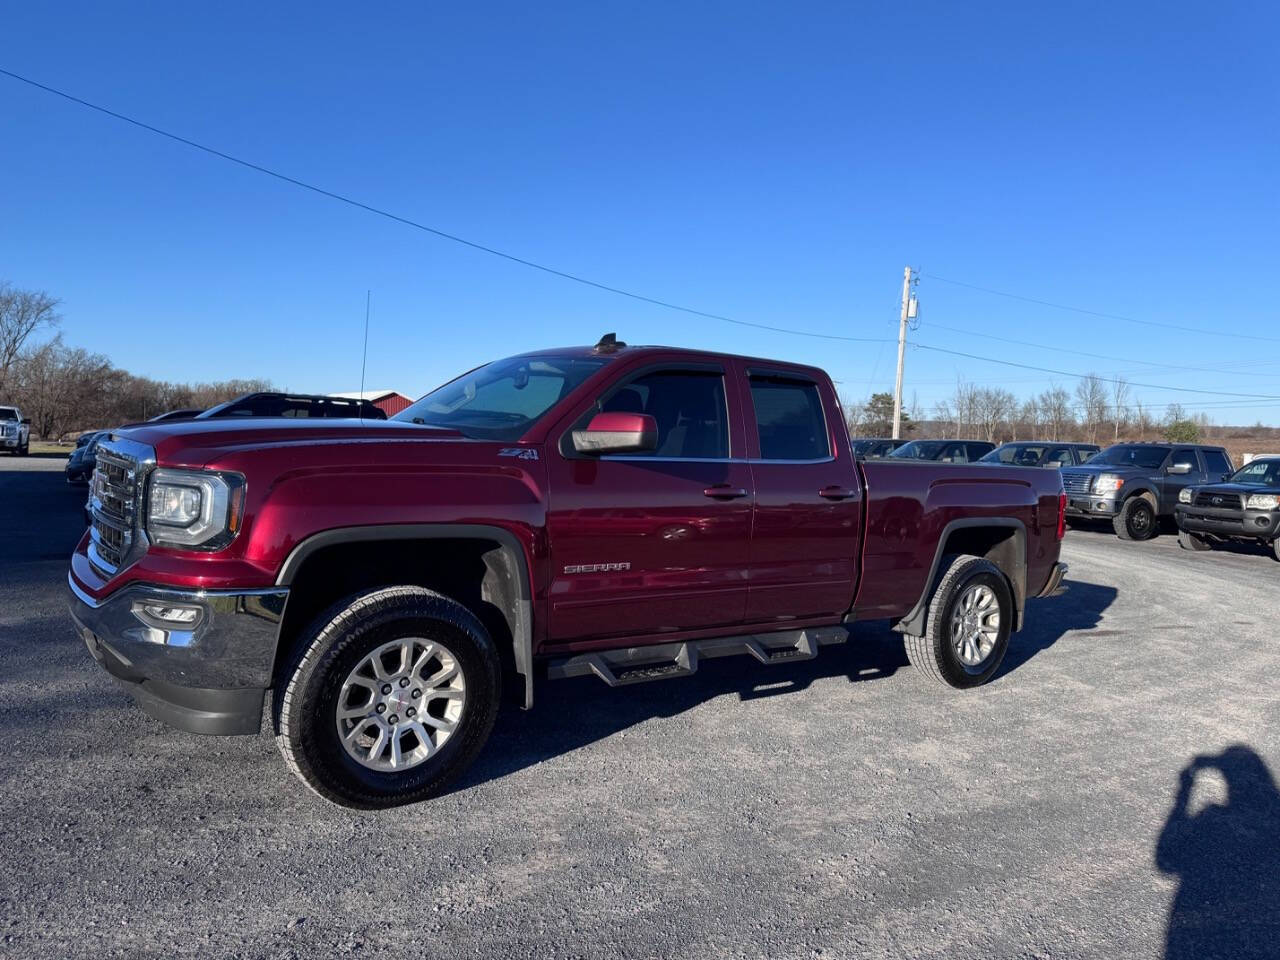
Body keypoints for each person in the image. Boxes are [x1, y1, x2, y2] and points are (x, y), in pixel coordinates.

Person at [1155, 746, 1280, 959]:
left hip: (1201, 942)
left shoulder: (1214, 824)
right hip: (1265, 943)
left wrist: (1183, 794)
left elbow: (1166, 857)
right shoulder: (1274, 828)